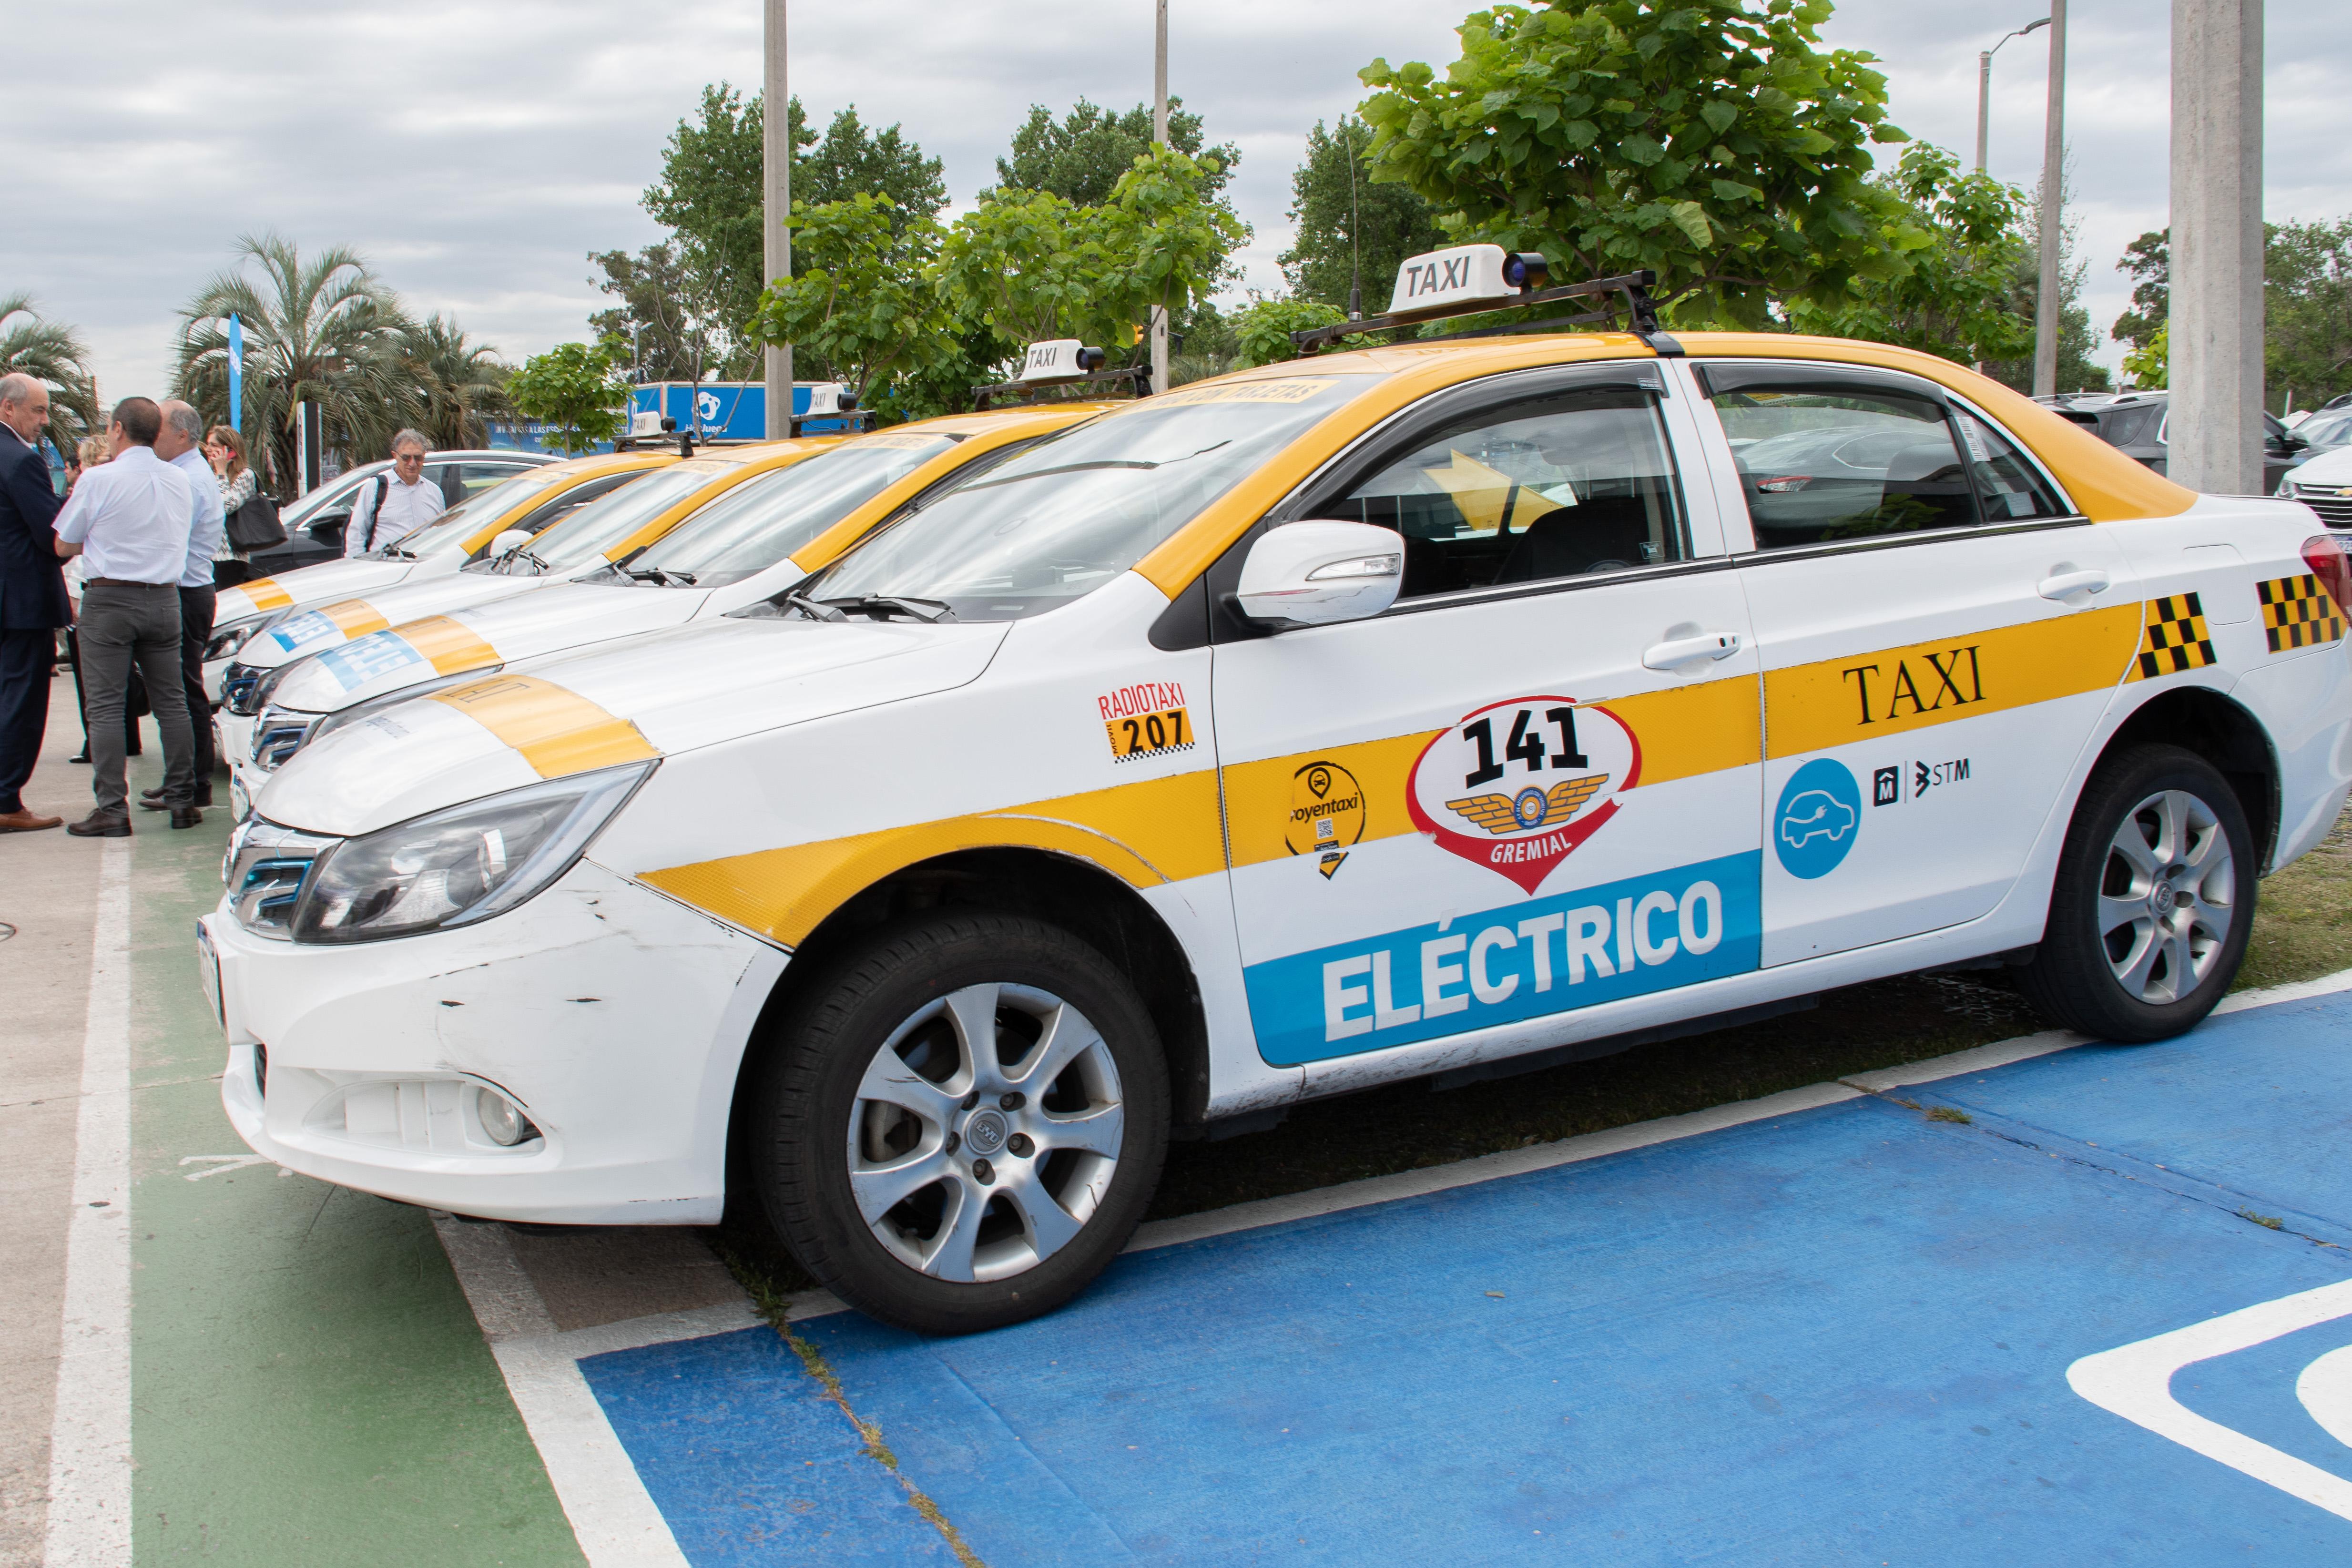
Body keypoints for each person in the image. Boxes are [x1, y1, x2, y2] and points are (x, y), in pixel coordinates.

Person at [51, 396, 197, 835]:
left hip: (111, 599)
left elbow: (64, 543)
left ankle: (112, 809)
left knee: (107, 707)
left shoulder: (98, 479)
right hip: (164, 598)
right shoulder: (178, 479)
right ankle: (182, 799)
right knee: (172, 703)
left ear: (116, 429)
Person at [0, 372, 71, 833]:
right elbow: (51, 534)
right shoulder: (20, 460)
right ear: (9, 408)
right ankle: (7, 799)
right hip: (23, 601)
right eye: (38, 410)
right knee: (21, 702)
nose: (43, 421)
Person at [146, 400, 225, 811]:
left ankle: (194, 783)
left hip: (186, 591)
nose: (150, 436)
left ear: (181, 435)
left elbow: (168, 538)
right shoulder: (187, 473)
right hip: (191, 589)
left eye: (157, 428)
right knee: (179, 688)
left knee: (182, 690)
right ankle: (184, 779)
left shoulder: (188, 480)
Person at [61, 438, 143, 767]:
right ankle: (131, 737)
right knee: (129, 675)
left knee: (95, 685)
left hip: (95, 590)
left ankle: (97, 747)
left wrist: (72, 596)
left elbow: (70, 546)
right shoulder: (132, 484)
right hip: (142, 591)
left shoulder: (90, 486)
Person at [343, 429, 443, 556]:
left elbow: (441, 534)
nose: (412, 464)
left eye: (418, 458)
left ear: (424, 456)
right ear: (395, 455)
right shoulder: (376, 488)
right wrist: (356, 567)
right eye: (406, 458)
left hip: (424, 567)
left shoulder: (435, 492)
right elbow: (357, 532)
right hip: (387, 568)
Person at [205, 424, 258, 587]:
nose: (208, 449)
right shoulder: (207, 474)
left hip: (230, 558)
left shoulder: (245, 475)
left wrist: (221, 473)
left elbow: (226, 506)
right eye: (208, 444)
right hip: (207, 556)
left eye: (213, 445)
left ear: (230, 450)